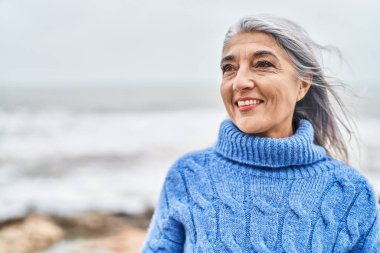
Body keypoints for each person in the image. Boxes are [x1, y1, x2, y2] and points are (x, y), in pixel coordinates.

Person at [142, 15, 380, 252]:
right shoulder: (188, 177)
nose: (239, 82)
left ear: (303, 84)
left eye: (263, 64)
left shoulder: (351, 193)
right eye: (229, 68)